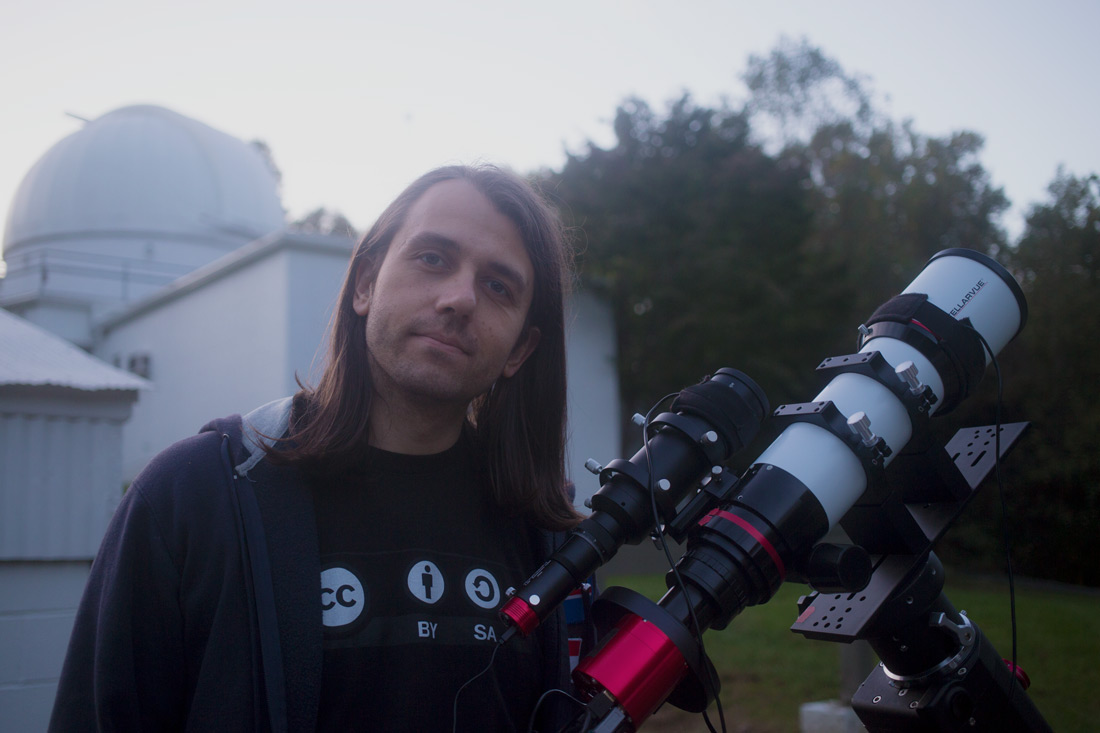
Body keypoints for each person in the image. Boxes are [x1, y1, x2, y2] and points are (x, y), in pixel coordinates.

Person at [49, 165, 592, 731]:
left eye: (498, 287)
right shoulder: (192, 498)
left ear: (519, 351)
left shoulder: (551, 540)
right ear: (364, 285)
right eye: (432, 258)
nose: (459, 298)